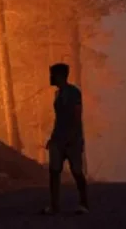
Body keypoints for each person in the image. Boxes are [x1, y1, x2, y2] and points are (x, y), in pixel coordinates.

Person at [42, 62, 89, 215]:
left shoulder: (74, 92)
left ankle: (84, 204)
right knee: (54, 172)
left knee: (76, 172)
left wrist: (73, 137)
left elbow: (77, 116)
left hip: (72, 140)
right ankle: (54, 205)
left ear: (60, 76)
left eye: (52, 75)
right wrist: (53, 137)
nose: (50, 78)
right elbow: (59, 118)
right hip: (58, 139)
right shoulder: (57, 95)